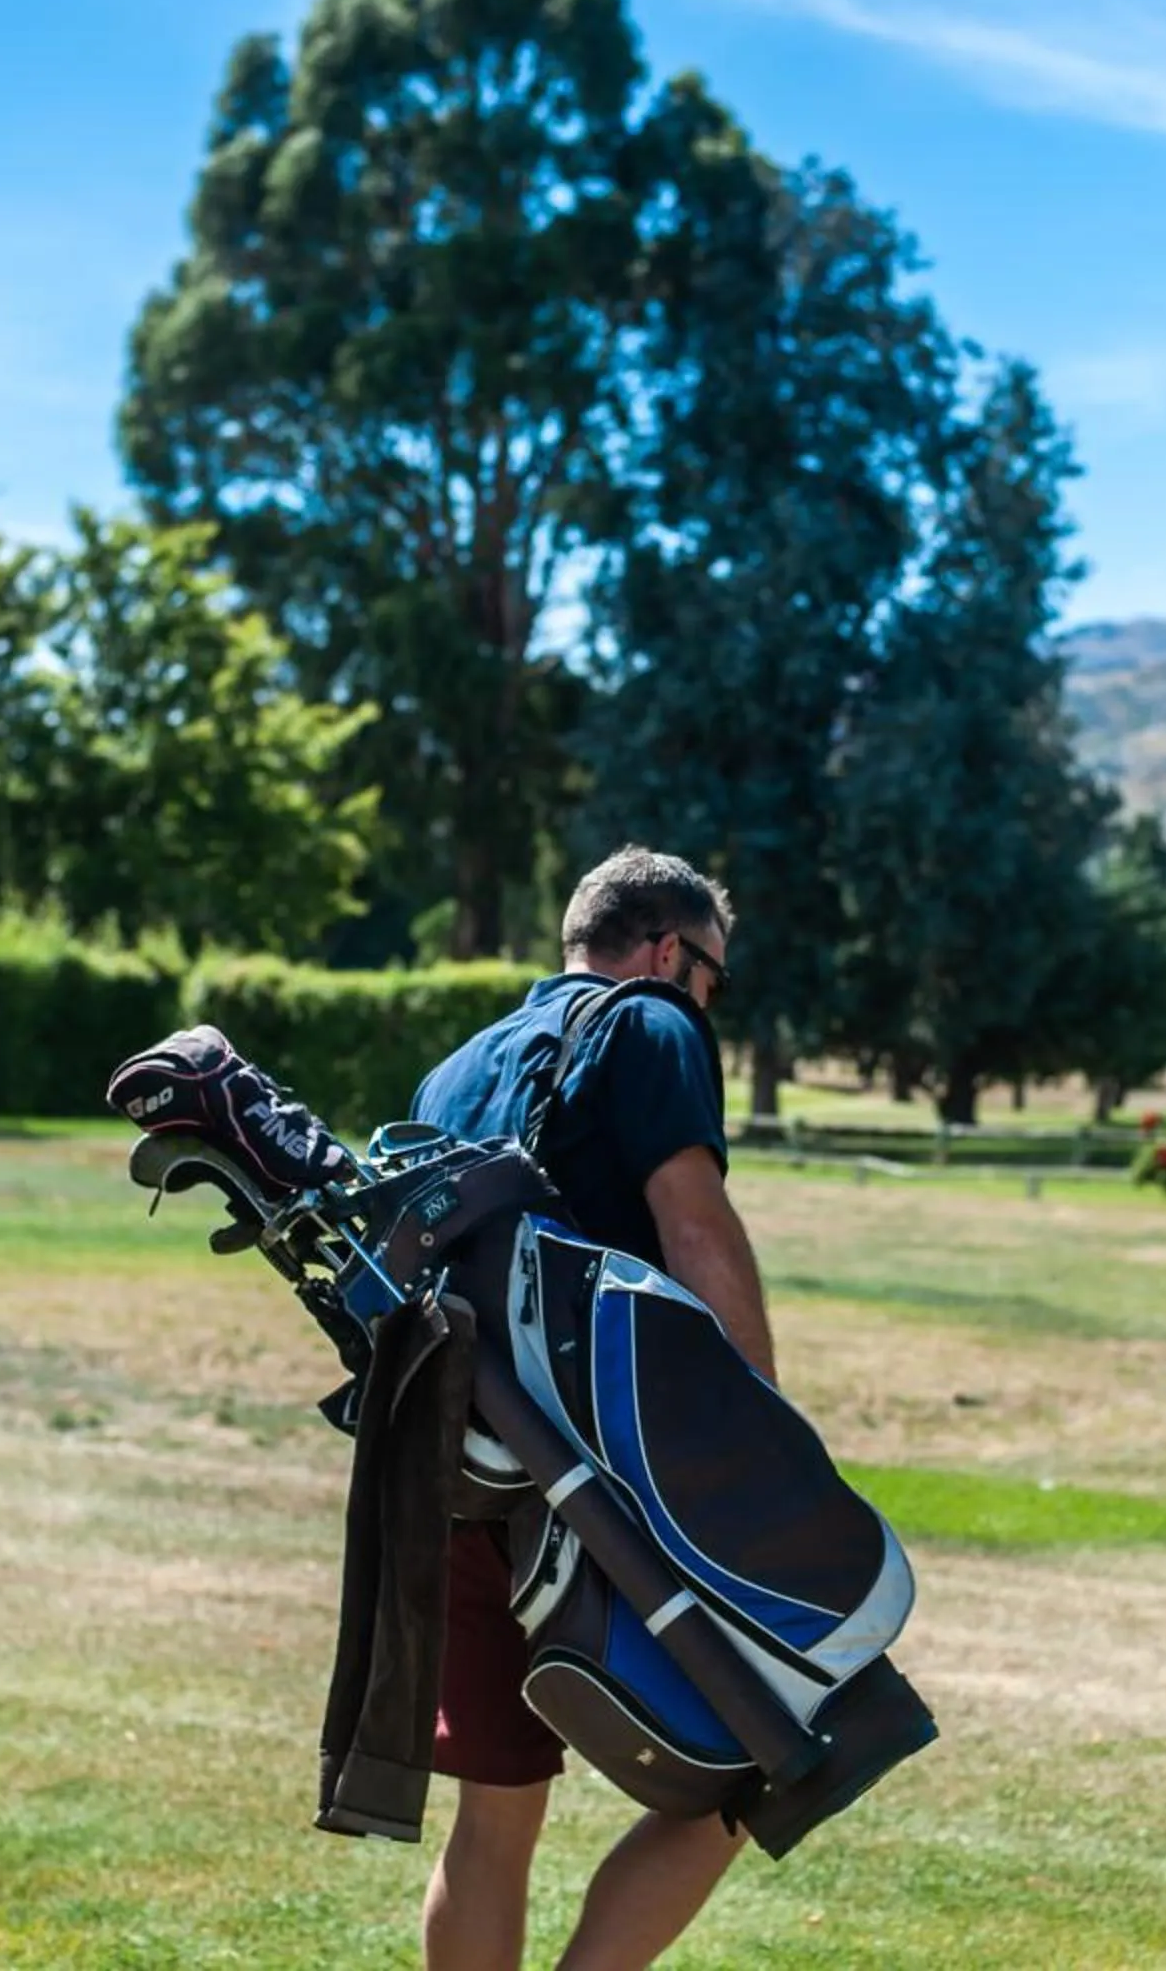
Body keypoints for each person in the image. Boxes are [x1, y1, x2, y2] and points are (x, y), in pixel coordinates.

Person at [405, 845, 777, 1971]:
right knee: (764, 1761)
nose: (708, 1000)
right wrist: (761, 1444)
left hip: (458, 1467)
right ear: (670, 951)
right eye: (714, 977)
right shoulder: (653, 1024)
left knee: (494, 1814)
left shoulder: (454, 1069)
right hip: (610, 1480)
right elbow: (696, 1227)